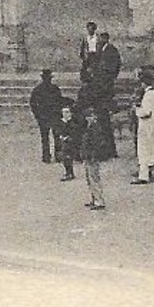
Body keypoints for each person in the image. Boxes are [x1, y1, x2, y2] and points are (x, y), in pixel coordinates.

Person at [86, 32, 121, 160]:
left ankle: (110, 151)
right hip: (102, 96)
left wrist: (110, 77)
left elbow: (116, 65)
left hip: (105, 94)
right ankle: (106, 151)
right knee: (103, 127)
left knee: (105, 126)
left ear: (106, 39)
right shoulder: (99, 51)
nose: (99, 41)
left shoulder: (111, 50)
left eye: (101, 39)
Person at [29, 69, 64, 164]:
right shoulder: (54, 89)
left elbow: (32, 104)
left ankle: (47, 156)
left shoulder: (38, 89)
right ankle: (57, 156)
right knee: (55, 136)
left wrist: (37, 115)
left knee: (46, 137)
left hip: (45, 116)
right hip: (53, 115)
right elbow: (60, 101)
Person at [82, 108, 108, 210]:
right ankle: (94, 199)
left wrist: (93, 155)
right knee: (90, 179)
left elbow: (96, 144)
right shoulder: (91, 127)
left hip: (92, 156)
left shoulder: (95, 128)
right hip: (88, 156)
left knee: (94, 178)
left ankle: (99, 201)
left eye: (90, 116)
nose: (89, 118)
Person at [58, 100, 80, 181]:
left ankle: (69, 173)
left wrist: (68, 137)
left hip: (70, 142)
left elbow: (74, 131)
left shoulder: (72, 122)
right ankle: (69, 172)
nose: (65, 114)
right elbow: (59, 130)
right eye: (63, 112)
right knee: (65, 157)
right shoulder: (61, 122)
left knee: (68, 157)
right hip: (64, 142)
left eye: (67, 112)